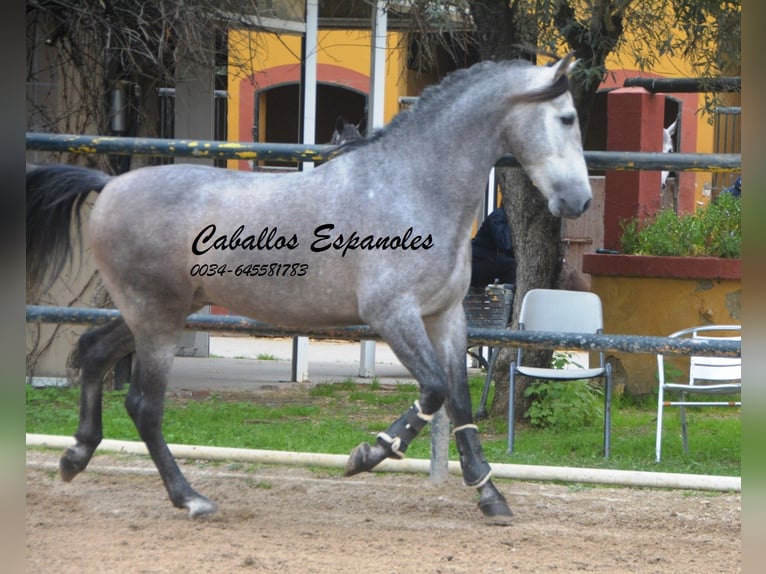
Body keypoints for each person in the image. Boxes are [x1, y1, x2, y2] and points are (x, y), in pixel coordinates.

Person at [470, 206, 516, 287]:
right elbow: (506, 243)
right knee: (511, 264)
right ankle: (510, 297)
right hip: (474, 264)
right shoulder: (498, 215)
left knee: (509, 263)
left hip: (486, 261)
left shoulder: (501, 215)